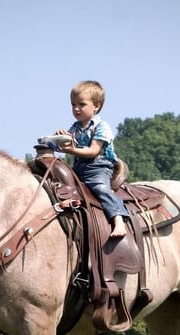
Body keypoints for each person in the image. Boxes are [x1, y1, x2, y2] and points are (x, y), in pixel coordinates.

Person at [54, 80, 128, 239]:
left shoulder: (101, 126)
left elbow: (94, 151)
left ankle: (118, 219)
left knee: (100, 189)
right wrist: (58, 140)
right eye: (73, 104)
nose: (76, 109)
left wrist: (72, 149)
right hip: (79, 167)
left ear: (96, 106)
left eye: (81, 104)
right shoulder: (75, 127)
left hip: (98, 168)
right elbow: (66, 144)